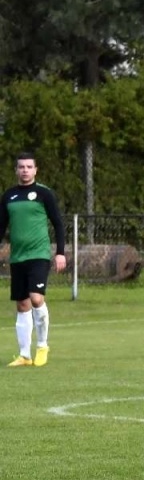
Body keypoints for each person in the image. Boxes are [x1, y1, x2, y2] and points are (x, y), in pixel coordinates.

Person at [1, 154, 67, 368]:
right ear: (16, 170)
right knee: (22, 303)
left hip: (38, 254)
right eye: (21, 167)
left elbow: (58, 223)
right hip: (18, 256)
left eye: (29, 167)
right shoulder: (9, 196)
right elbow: (1, 226)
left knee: (36, 298)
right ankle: (24, 355)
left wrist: (60, 252)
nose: (25, 170)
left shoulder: (43, 194)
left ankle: (42, 346)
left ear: (35, 170)